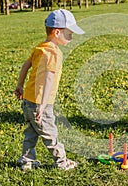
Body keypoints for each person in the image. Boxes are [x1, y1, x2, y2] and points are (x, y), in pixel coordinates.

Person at [14, 9, 84, 171]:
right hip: (40, 104)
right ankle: (62, 162)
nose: (71, 37)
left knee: (31, 133)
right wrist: (43, 105)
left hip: (28, 100)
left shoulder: (40, 47)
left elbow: (26, 65)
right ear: (57, 32)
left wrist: (19, 85)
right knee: (50, 134)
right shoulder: (53, 53)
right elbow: (49, 78)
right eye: (69, 34)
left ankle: (27, 161)